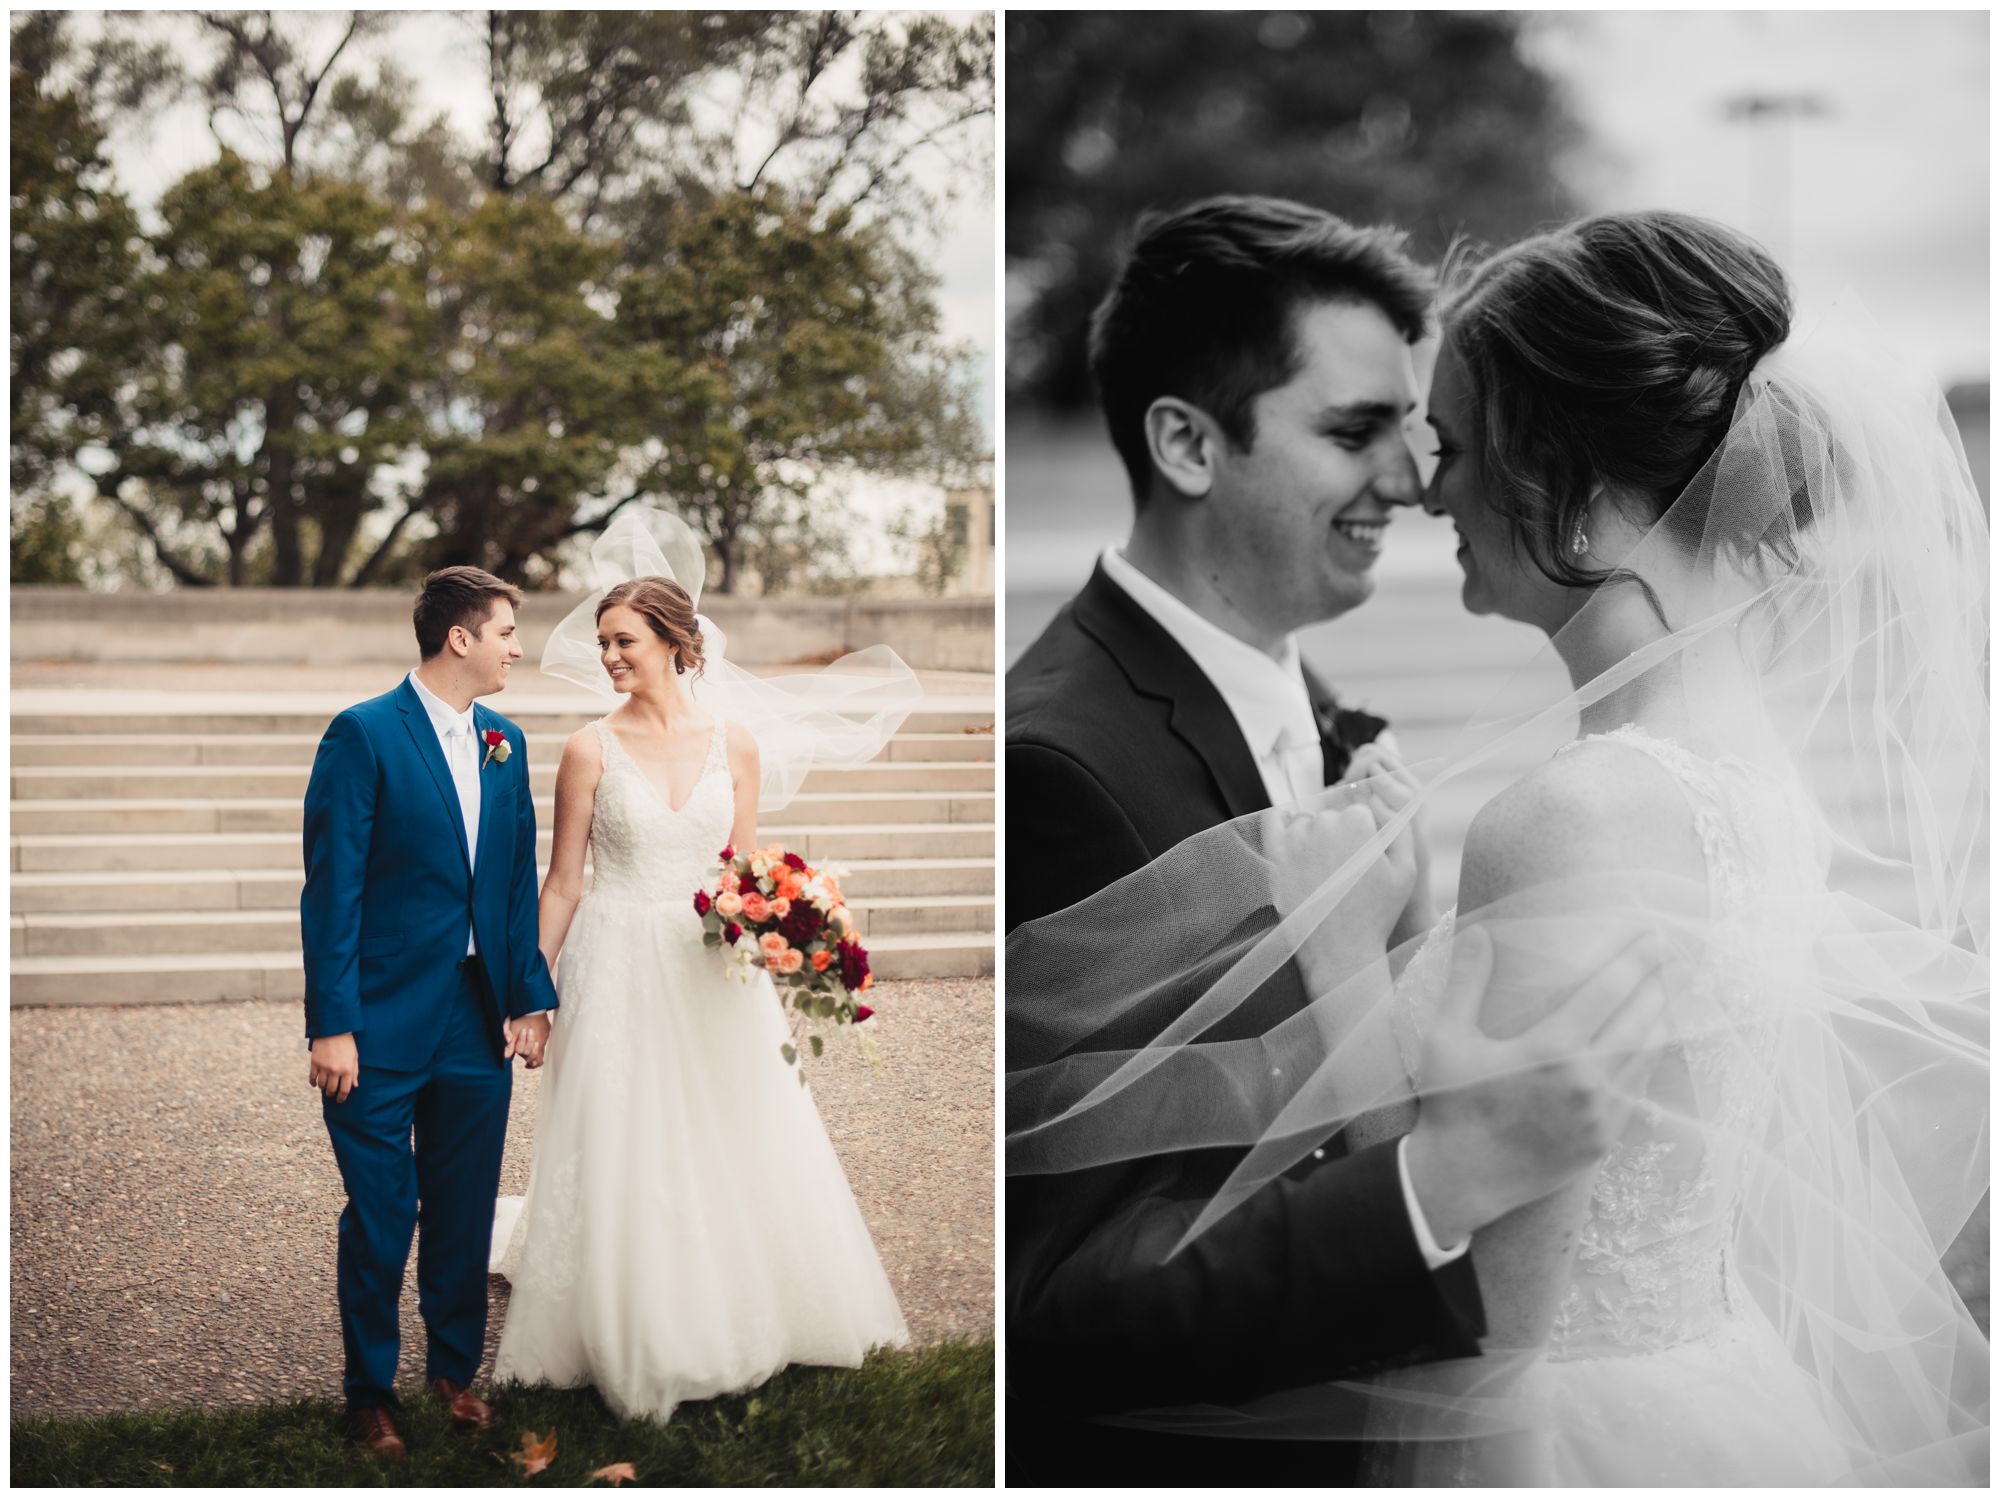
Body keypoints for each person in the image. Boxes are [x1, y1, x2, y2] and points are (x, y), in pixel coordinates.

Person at [1010, 210, 1989, 1484]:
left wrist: (1355, 959)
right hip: (1699, 1386)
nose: (1431, 487)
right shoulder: (1740, 773)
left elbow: (1494, 1294)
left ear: (1552, 463)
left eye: (1455, 445)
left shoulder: (1579, 811)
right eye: (1380, 435)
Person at [1003, 196, 1673, 1485]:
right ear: (1189, 444)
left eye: (1413, 434)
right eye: (1355, 432)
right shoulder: (1059, 765)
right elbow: (1057, 1306)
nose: (1414, 480)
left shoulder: (1309, 704)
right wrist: (1439, 1176)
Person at [490, 511, 913, 1423]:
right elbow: (562, 883)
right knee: (625, 1130)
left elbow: (740, 871)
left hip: (708, 966)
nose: (608, 656)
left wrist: (784, 928)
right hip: (614, 955)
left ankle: (749, 1297)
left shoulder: (738, 746)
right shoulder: (587, 748)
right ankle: (636, 1319)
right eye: (602, 642)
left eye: (624, 640)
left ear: (677, 643)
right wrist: (531, 991)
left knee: (731, 1127)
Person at [301, 566, 559, 1461]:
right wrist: (330, 1023)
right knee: (380, 1211)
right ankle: (368, 1393)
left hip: (475, 1016)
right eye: (506, 633)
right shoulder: (364, 734)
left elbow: (515, 883)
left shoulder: (506, 741)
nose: (517, 649)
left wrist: (528, 995)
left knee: (460, 1204)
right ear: (461, 638)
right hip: (373, 1021)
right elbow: (330, 891)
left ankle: (454, 1372)